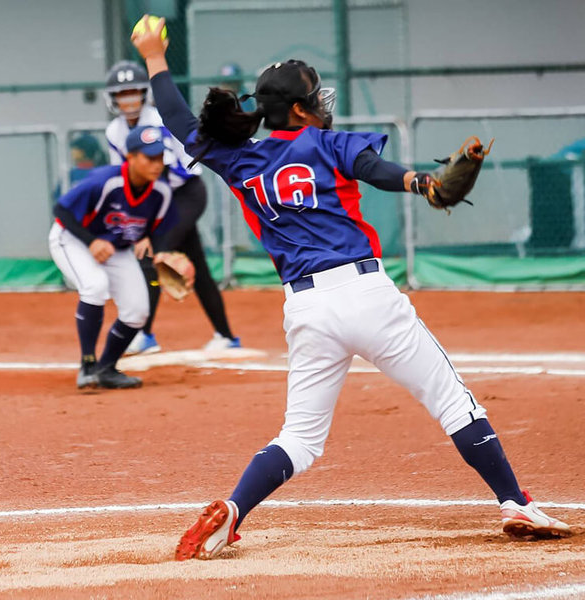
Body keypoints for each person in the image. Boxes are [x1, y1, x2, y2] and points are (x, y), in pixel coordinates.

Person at [131, 18, 572, 560]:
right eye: (314, 94)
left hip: (307, 308)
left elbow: (175, 119)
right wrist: (423, 182)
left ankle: (233, 512)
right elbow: (381, 170)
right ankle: (515, 502)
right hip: (367, 296)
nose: (321, 100)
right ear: (298, 109)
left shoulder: (241, 157)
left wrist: (154, 55)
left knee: (299, 439)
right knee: (452, 401)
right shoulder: (327, 142)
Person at [103, 60, 239, 355]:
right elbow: (124, 179)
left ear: (144, 94)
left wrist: (145, 228)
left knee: (151, 255)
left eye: (134, 92)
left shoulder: (154, 120)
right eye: (122, 93)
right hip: (160, 196)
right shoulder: (114, 131)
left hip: (184, 193)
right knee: (198, 268)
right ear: (112, 99)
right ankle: (226, 337)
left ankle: (143, 333)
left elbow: (159, 174)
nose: (128, 99)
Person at [49, 125, 177, 389]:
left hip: (116, 247)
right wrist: (91, 241)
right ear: (130, 157)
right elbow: (61, 209)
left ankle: (106, 368)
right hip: (72, 239)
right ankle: (87, 366)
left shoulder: (161, 193)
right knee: (95, 286)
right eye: (149, 157)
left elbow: (157, 229)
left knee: (138, 311)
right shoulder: (105, 181)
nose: (156, 164)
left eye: (160, 157)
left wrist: (163, 252)